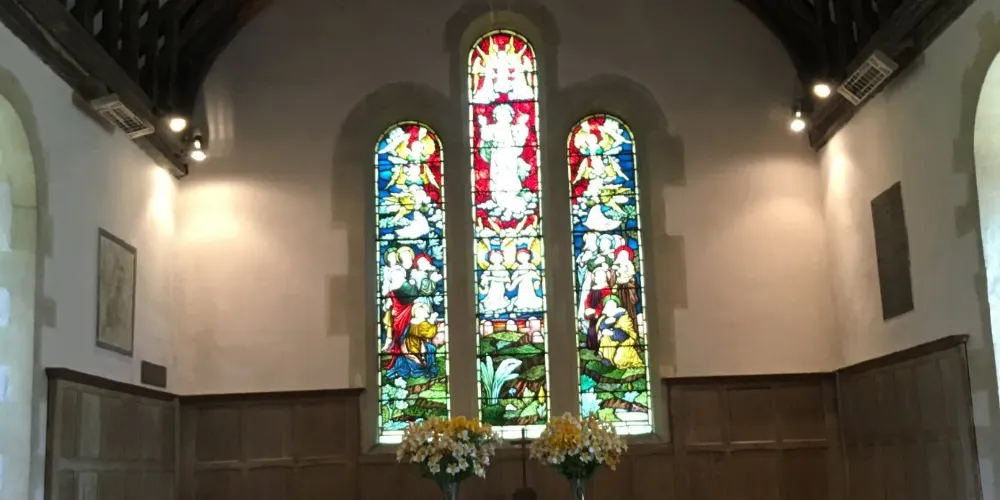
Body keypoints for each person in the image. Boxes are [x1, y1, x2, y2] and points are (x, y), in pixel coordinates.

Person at [596, 296, 644, 369]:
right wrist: (606, 323)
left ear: (616, 306)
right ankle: (607, 360)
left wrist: (612, 333)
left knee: (619, 359)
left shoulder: (624, 317)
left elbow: (626, 335)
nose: (610, 307)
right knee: (604, 339)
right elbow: (599, 329)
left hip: (625, 342)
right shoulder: (603, 318)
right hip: (610, 342)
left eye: (612, 305)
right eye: (608, 305)